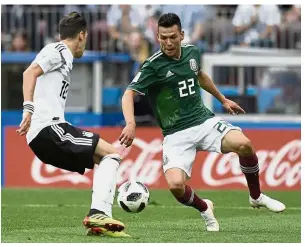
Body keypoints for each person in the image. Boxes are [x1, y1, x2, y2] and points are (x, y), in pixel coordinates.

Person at [120, 13, 285, 232]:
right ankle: (205, 207)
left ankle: (256, 196)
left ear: (181, 35)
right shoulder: (153, 66)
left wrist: (223, 99)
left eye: (172, 37)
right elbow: (128, 93)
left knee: (244, 144)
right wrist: (131, 124)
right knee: (176, 186)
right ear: (157, 37)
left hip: (203, 120)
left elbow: (200, 76)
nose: (168, 42)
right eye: (162, 38)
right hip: (175, 133)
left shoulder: (192, 52)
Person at [16, 12, 129, 238]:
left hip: (47, 134)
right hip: (49, 129)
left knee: (104, 158)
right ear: (81, 35)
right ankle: (98, 213)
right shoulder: (58, 51)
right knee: (112, 154)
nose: (84, 44)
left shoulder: (62, 57)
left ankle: (100, 224)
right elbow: (30, 73)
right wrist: (28, 108)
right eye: (84, 39)